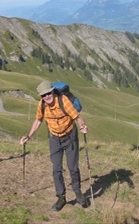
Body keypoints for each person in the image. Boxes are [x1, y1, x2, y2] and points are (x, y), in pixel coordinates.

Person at [20, 80, 89, 211]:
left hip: (70, 137)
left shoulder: (63, 101)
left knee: (72, 167)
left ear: (52, 91)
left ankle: (78, 193)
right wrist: (28, 136)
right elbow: (38, 120)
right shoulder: (42, 105)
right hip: (54, 139)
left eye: (48, 93)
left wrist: (82, 127)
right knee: (56, 169)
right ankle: (61, 197)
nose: (46, 97)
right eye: (43, 95)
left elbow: (77, 117)